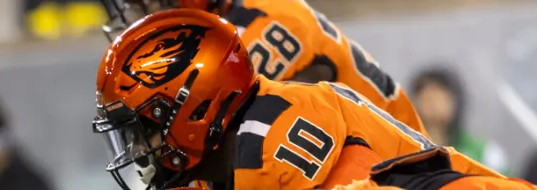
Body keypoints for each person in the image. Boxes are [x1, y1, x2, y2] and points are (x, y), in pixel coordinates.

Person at [94, 10, 497, 190]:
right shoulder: (238, 141)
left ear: (193, 108)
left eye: (142, 128)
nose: (136, 150)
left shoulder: (273, 140)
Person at [101, 0, 423, 130]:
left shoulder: (259, 30)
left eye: (142, 3)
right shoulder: (229, 27)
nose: (131, 16)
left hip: (398, 171)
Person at [410, 67, 509, 173]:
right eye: (428, 97)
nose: (434, 104)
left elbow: (506, 185)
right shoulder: (403, 146)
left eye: (441, 97)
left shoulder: (484, 153)